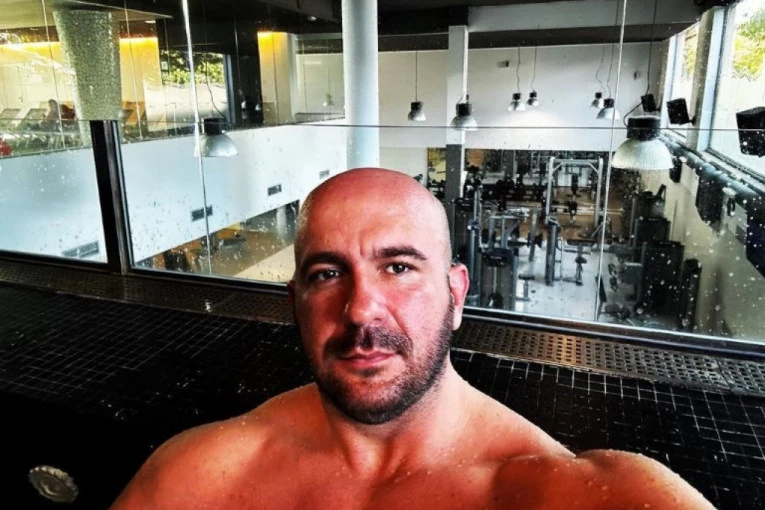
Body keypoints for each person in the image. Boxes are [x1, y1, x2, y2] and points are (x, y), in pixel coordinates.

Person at [111, 168, 714, 509]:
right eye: (326, 274)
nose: (360, 309)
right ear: (295, 303)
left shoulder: (568, 492)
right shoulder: (199, 477)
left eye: (398, 267)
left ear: (456, 294)